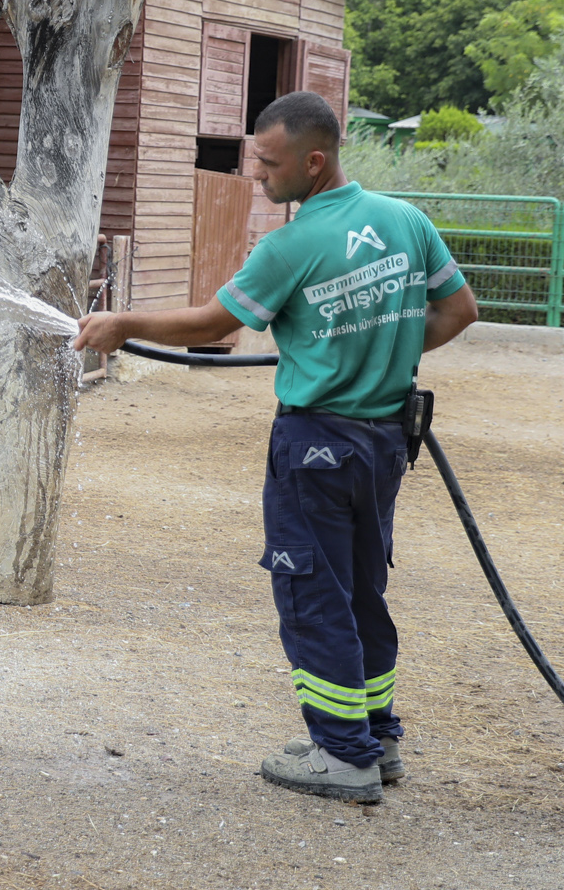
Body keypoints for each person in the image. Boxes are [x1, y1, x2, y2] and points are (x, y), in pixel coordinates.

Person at [74, 91, 479, 803]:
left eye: (268, 162)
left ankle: (341, 754)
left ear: (313, 161)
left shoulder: (288, 247)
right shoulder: (406, 221)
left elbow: (208, 321)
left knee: (312, 591)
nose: (256, 175)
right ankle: (376, 740)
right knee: (362, 590)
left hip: (316, 442)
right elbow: (460, 309)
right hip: (385, 440)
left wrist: (121, 322)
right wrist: (377, 355)